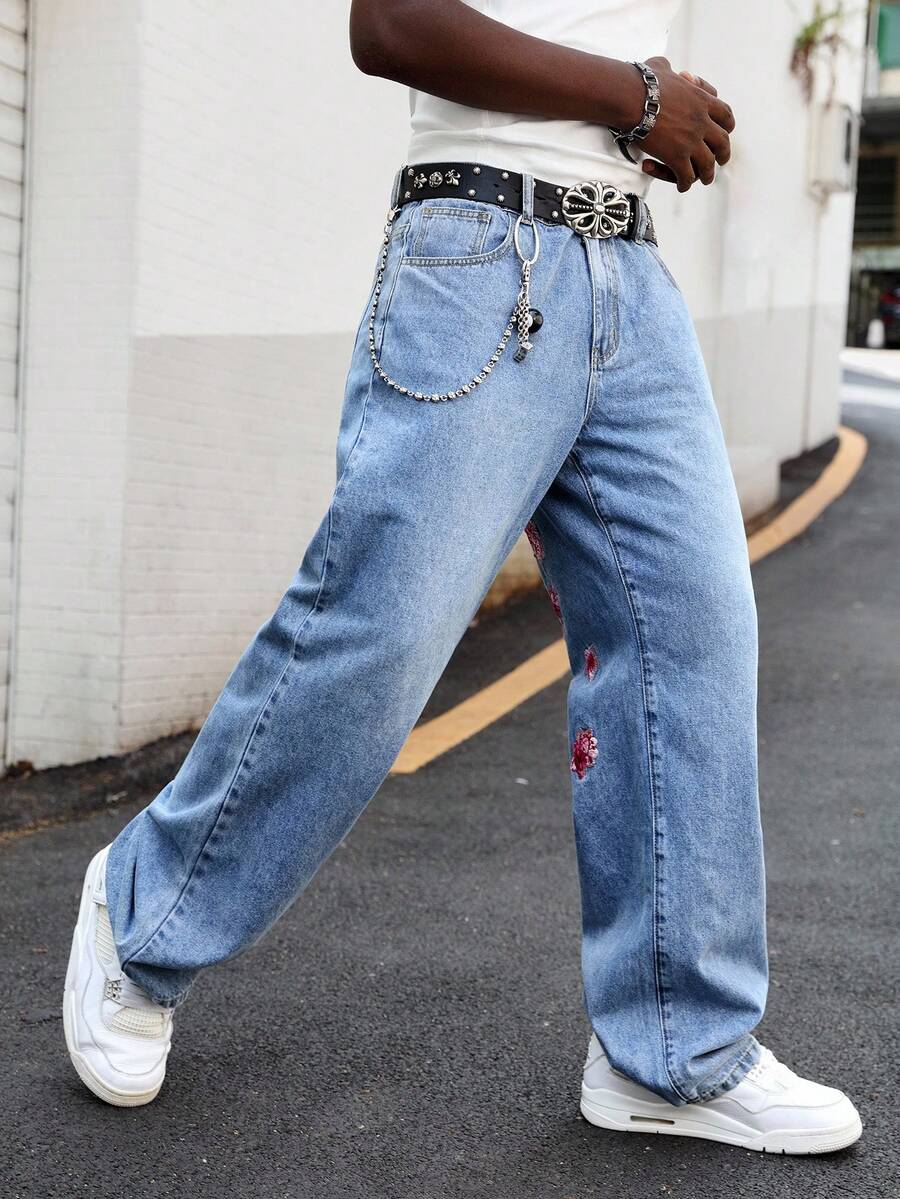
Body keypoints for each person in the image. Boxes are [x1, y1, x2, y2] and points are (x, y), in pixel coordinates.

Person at [63, 0, 862, 1154]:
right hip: (482, 249)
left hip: (632, 276)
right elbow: (393, 25)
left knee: (694, 636)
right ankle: (141, 918)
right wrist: (636, 96)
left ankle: (675, 1052)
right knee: (380, 633)